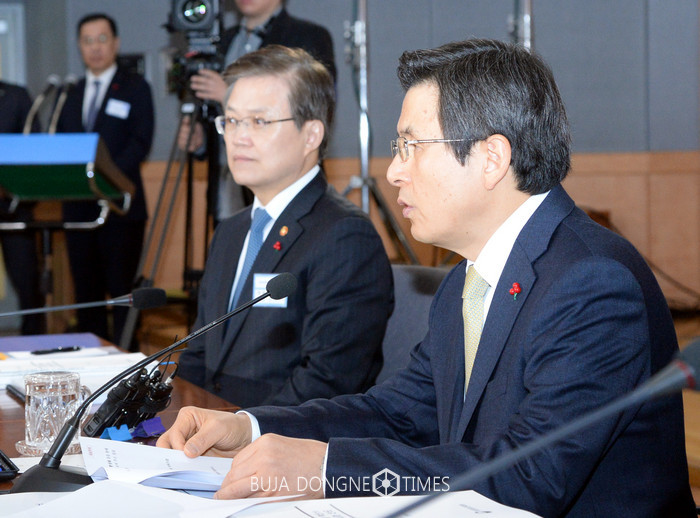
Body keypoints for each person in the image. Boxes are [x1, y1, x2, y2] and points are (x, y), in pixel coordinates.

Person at [158, 38, 696, 516]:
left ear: (491, 158)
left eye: (410, 146)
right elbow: (396, 414)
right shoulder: (466, 279)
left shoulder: (591, 282)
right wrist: (250, 425)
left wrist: (326, 469)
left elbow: (529, 478)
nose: (394, 171)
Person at [176, 45, 393, 407]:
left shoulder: (344, 236)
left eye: (259, 122)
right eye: (231, 121)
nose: (239, 137)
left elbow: (327, 381)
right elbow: (199, 353)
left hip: (282, 435)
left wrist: (239, 428)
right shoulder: (230, 232)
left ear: (311, 135)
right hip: (212, 429)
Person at [179, 0, 336, 223]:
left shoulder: (307, 36)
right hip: (226, 191)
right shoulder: (221, 40)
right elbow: (212, 118)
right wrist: (200, 140)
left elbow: (316, 108)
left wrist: (227, 96)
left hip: (287, 195)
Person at [56, 13, 154, 345]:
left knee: (123, 294)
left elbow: (140, 142)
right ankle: (92, 361)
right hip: (79, 209)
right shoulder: (69, 93)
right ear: (79, 47)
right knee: (88, 297)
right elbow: (61, 145)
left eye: (102, 39)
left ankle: (128, 364)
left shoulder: (135, 87)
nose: (95, 48)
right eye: (88, 41)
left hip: (120, 208)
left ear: (116, 43)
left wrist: (102, 178)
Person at [0, 81, 45, 335]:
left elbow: (34, 149)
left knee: (27, 281)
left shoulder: (16, 96)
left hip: (13, 206)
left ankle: (34, 341)